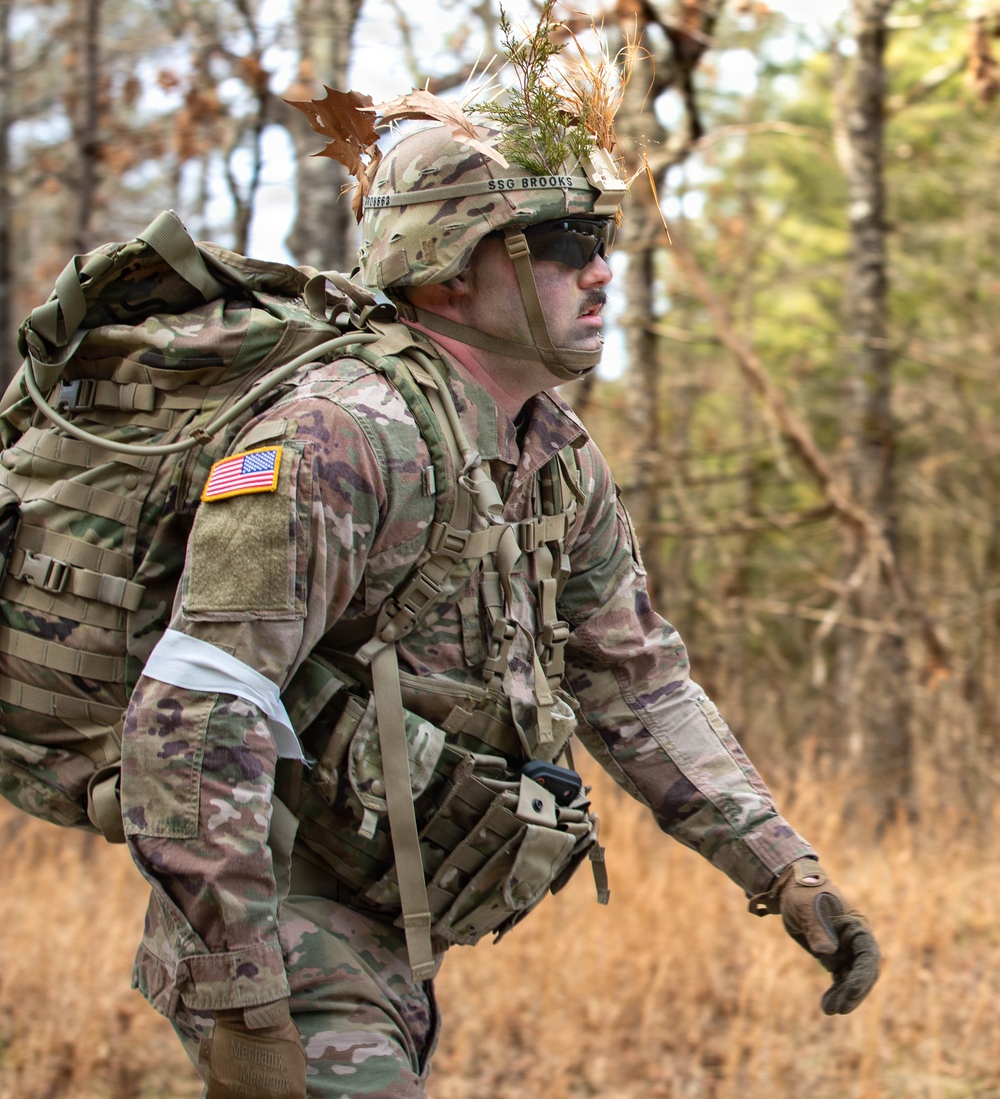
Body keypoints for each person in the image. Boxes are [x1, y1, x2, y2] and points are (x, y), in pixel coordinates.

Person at [118, 111, 879, 1099]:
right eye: (563, 245)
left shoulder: (553, 458)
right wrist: (241, 999)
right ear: (444, 271)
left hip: (392, 926)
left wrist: (785, 871)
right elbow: (193, 707)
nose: (600, 270)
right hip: (281, 918)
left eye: (601, 240)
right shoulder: (339, 437)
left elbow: (635, 680)